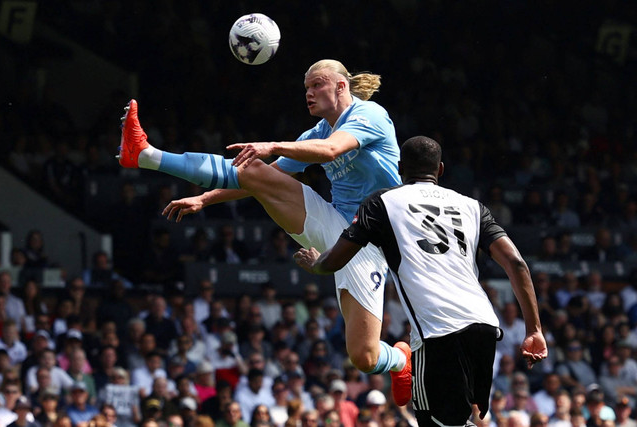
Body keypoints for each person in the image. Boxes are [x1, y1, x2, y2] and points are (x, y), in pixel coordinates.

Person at [118, 59, 408, 396]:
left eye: (317, 85)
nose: (309, 93)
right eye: (306, 88)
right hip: (335, 225)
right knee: (257, 170)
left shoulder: (369, 115)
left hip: (372, 239)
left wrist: (272, 146)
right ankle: (144, 154)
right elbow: (264, 176)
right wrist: (205, 200)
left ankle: (402, 360)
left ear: (341, 86)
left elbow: (331, 151)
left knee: (365, 356)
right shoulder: (316, 133)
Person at [293, 136, 548, 426]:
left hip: (437, 332)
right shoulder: (473, 207)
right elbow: (516, 263)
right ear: (440, 169)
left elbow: (338, 258)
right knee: (460, 420)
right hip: (485, 328)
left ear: (400, 168)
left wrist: (317, 265)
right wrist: (534, 329)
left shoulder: (382, 202)